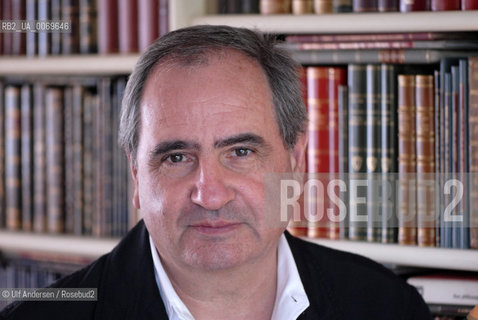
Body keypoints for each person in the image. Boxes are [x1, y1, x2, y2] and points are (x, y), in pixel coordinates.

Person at [1, 25, 431, 320]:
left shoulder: (387, 306)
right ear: (136, 176)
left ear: (295, 163)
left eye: (240, 151)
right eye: (175, 158)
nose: (210, 195)